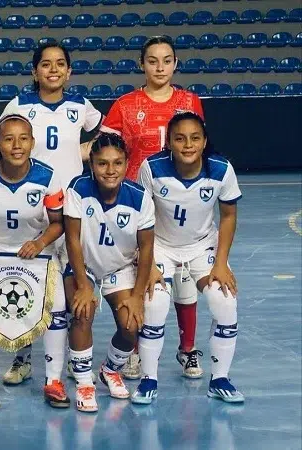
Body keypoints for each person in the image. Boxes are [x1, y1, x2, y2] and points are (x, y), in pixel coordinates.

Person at [100, 36, 205, 379]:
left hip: (180, 202)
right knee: (143, 278)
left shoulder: (190, 101)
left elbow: (197, 150)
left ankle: (187, 349)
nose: (160, 67)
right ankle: (133, 350)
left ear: (175, 63)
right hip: (138, 202)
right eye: (153, 60)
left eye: (167, 60)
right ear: (142, 64)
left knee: (186, 275)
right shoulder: (125, 105)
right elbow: (104, 150)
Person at [0, 42, 103, 386]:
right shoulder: (19, 105)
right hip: (34, 208)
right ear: (34, 71)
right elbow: (3, 143)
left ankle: (76, 357)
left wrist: (84, 151)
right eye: (45, 64)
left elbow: (104, 133)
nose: (53, 69)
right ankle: (23, 354)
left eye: (60, 64)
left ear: (69, 71)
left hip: (72, 206)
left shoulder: (79, 105)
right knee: (28, 284)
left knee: (75, 282)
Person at [134, 112, 244, 404]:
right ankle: (148, 380)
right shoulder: (152, 168)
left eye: (195, 138)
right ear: (169, 141)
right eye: (180, 138)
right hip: (160, 246)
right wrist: (146, 264)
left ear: (205, 141)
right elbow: (140, 219)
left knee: (225, 300)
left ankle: (219, 379)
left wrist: (221, 262)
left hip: (201, 246)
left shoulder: (221, 169)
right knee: (154, 302)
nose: (187, 145)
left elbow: (229, 215)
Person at [0, 114, 68, 410]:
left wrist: (40, 242)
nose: (16, 145)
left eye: (23, 138)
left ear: (33, 143)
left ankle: (53, 380)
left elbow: (58, 223)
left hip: (33, 248)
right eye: (8, 139)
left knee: (57, 305)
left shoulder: (48, 176)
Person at [63, 133, 156, 412]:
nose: (110, 170)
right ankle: (83, 383)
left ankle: (110, 369)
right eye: (102, 163)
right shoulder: (78, 188)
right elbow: (71, 239)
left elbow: (147, 247)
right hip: (84, 265)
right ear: (91, 164)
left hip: (121, 266)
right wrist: (82, 284)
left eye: (117, 163)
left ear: (127, 164)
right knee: (82, 311)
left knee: (131, 325)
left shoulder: (140, 198)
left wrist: (138, 295)